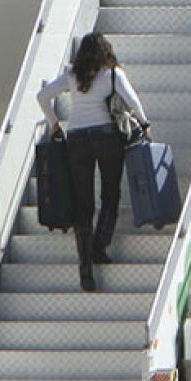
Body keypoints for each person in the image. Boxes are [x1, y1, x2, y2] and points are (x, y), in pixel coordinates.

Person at [36, 32, 151, 292]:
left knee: (83, 205)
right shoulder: (112, 75)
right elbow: (133, 102)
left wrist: (55, 125)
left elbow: (42, 96)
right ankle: (100, 245)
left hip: (76, 140)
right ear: (105, 52)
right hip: (107, 137)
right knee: (110, 194)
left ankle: (85, 270)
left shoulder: (72, 76)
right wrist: (144, 124)